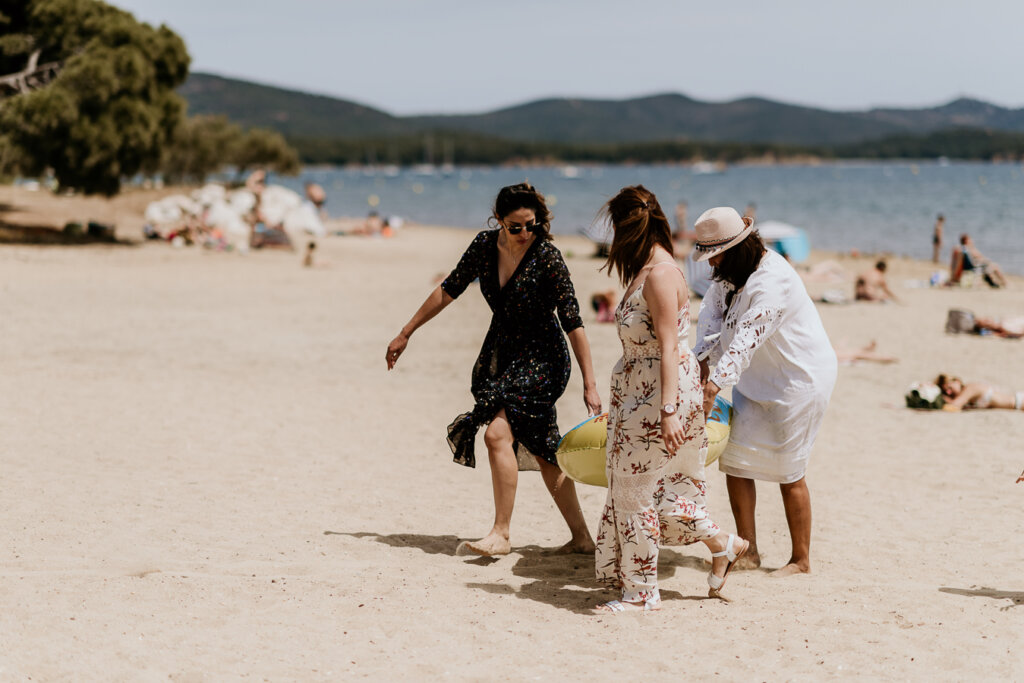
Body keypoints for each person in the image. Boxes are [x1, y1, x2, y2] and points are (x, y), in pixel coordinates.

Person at [386, 183, 602, 557]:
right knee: (545, 447)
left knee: (496, 434)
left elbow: (573, 322)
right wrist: (406, 332)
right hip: (503, 354)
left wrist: (590, 384)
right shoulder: (485, 246)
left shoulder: (548, 257)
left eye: (531, 226)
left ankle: (501, 533)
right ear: (499, 221)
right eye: (515, 227)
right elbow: (449, 289)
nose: (523, 234)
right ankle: (582, 538)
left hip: (544, 358)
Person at [594, 187, 748, 613]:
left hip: (657, 397)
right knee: (645, 488)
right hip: (637, 394)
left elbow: (668, 347)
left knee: (638, 492)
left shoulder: (661, 273)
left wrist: (666, 411)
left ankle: (642, 593)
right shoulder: (647, 268)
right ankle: (723, 543)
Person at [693, 207, 837, 576]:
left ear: (738, 247)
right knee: (737, 461)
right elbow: (710, 316)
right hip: (755, 376)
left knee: (790, 470)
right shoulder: (730, 274)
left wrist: (712, 387)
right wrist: (700, 361)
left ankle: (800, 560)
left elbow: (745, 341)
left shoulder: (772, 280)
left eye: (716, 256)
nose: (712, 266)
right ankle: (749, 550)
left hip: (799, 379)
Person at [936, 375, 1024, 412]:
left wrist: (942, 397)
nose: (949, 392)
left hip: (1019, 402)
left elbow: (954, 406)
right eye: (946, 392)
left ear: (957, 381)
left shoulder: (970, 388)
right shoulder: (968, 394)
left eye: (949, 388)